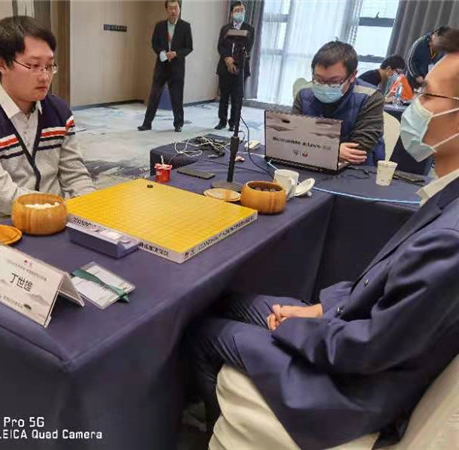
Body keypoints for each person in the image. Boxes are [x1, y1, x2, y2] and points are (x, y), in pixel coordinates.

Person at [189, 29, 459, 450]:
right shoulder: (447, 198)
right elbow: (381, 289)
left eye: (426, 95)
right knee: (226, 300)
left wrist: (297, 328)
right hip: (344, 330)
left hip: (349, 389)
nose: (413, 105)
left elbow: (372, 348)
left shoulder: (451, 238)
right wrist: (317, 308)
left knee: (203, 330)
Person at [0, 16, 95, 224]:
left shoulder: (59, 111)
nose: (45, 77)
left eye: (49, 66)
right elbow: (3, 196)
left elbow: (75, 175)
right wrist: (58, 212)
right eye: (34, 65)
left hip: (58, 220)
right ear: (2, 64)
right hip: (3, 226)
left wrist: (91, 213)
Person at [292, 41, 385, 166]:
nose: (324, 86)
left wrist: (316, 146)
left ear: (352, 76)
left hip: (355, 170)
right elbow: (292, 137)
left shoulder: (370, 97)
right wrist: (333, 150)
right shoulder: (304, 94)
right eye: (318, 79)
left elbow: (359, 149)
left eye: (334, 81)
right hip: (309, 163)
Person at [138, 0, 193, 133]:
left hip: (177, 67)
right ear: (166, 10)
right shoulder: (160, 26)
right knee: (154, 95)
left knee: (177, 96)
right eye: (170, 8)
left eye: (175, 8)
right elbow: (154, 43)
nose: (173, 11)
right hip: (162, 66)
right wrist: (161, 52)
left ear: (179, 9)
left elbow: (189, 47)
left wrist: (176, 53)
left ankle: (178, 124)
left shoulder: (185, 26)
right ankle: (147, 123)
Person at [215, 1, 255, 131]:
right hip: (224, 66)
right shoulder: (225, 28)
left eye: (242, 10)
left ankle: (233, 123)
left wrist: (234, 62)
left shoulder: (249, 29)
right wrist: (227, 59)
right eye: (237, 10)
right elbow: (220, 46)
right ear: (232, 13)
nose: (240, 13)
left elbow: (247, 47)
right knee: (224, 96)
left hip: (241, 67)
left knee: (236, 98)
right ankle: (222, 121)